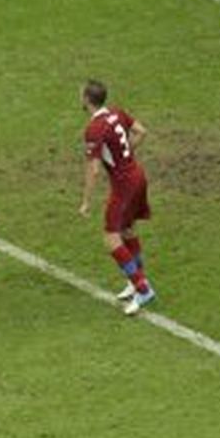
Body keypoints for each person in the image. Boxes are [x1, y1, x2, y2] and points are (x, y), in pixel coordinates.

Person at [78, 81, 156, 317]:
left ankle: (143, 289)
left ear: (87, 100)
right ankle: (136, 281)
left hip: (124, 185)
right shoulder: (116, 112)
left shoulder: (94, 129)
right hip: (137, 176)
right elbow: (141, 131)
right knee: (128, 231)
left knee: (112, 238)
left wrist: (86, 201)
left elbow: (93, 170)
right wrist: (126, 154)